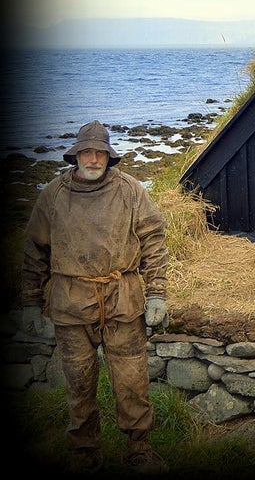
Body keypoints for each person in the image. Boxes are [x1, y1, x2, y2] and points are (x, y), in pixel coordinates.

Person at [20, 120, 170, 475]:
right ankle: (84, 454)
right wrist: (29, 300)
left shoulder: (132, 191)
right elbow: (35, 250)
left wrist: (157, 293)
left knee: (132, 381)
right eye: (86, 152)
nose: (93, 159)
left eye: (100, 152)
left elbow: (154, 241)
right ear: (75, 156)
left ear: (109, 156)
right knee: (79, 382)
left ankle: (139, 451)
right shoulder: (53, 195)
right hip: (71, 303)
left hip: (123, 300)